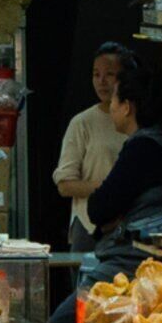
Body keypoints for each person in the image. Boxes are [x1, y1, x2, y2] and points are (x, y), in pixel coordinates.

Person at [49, 48, 162, 323]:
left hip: (129, 263)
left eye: (116, 98)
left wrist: (108, 206)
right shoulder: (154, 140)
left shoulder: (142, 147)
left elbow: (99, 207)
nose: (112, 106)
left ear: (128, 106)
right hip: (129, 258)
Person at [49, 41, 135, 243]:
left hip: (129, 225)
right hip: (89, 227)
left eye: (110, 74)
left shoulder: (137, 121)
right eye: (96, 74)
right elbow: (65, 185)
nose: (102, 81)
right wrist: (108, 188)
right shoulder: (82, 122)